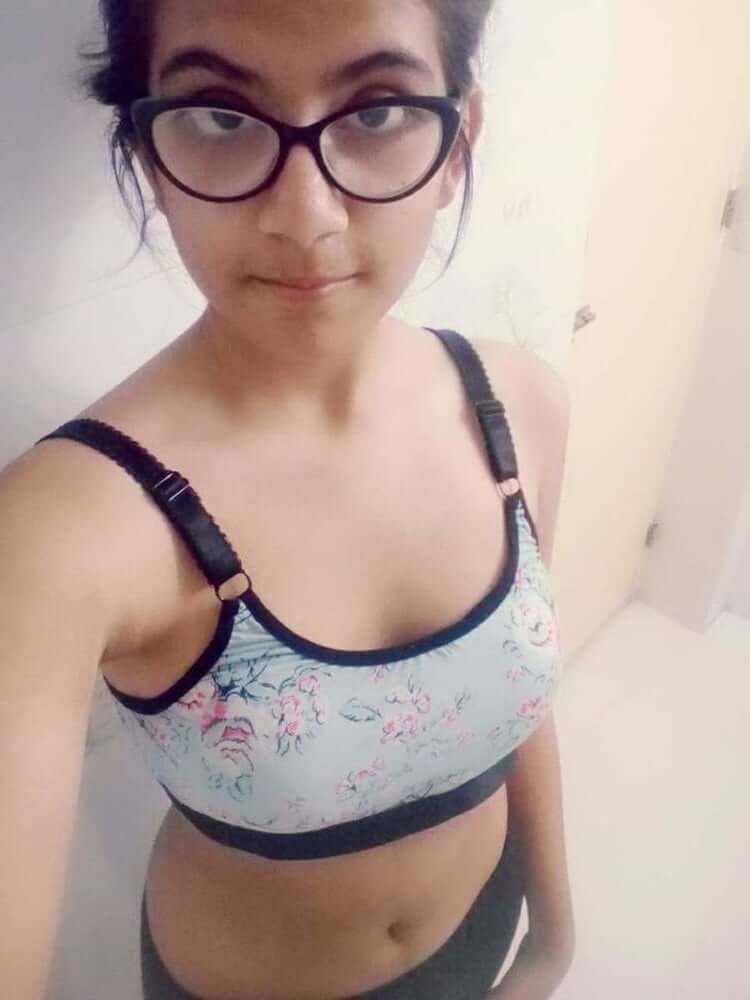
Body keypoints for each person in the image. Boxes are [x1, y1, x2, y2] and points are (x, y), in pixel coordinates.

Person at [1, 2, 576, 998]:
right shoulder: (66, 526)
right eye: (220, 117)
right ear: (146, 154)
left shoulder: (519, 405)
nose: (305, 217)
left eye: (378, 110)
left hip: (487, 923)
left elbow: (519, 692)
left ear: (456, 144)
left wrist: (553, 934)